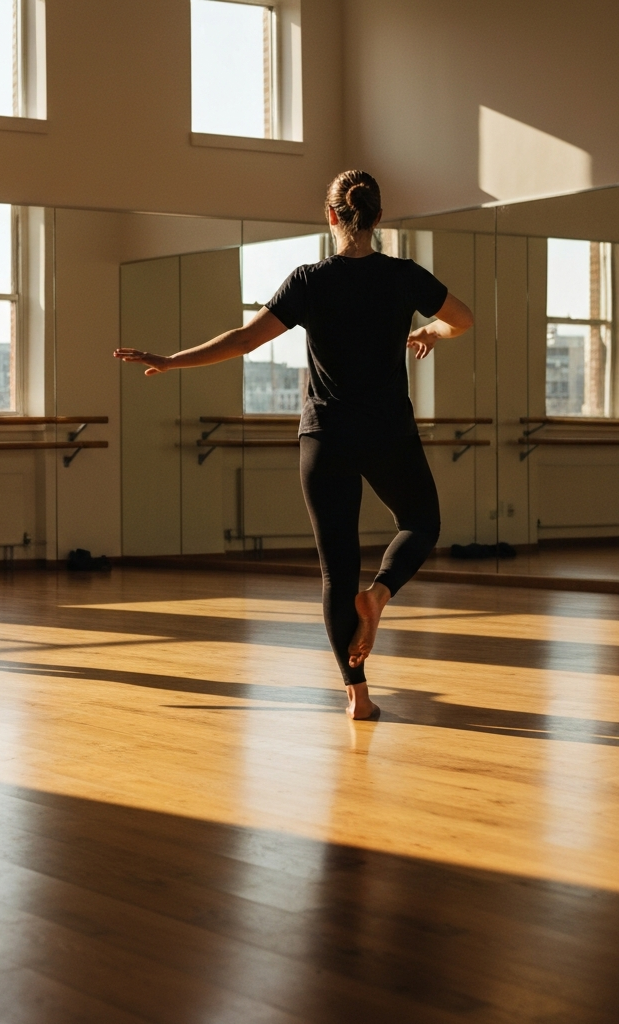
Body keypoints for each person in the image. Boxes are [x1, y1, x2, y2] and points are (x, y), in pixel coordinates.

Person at [114, 170, 474, 719]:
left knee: (337, 571)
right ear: (378, 218)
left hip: (325, 437)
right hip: (387, 433)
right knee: (421, 522)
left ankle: (358, 696)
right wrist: (430, 332)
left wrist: (170, 360)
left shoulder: (309, 280)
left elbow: (241, 342)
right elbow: (463, 320)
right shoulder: (405, 277)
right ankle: (379, 596)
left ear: (331, 216)